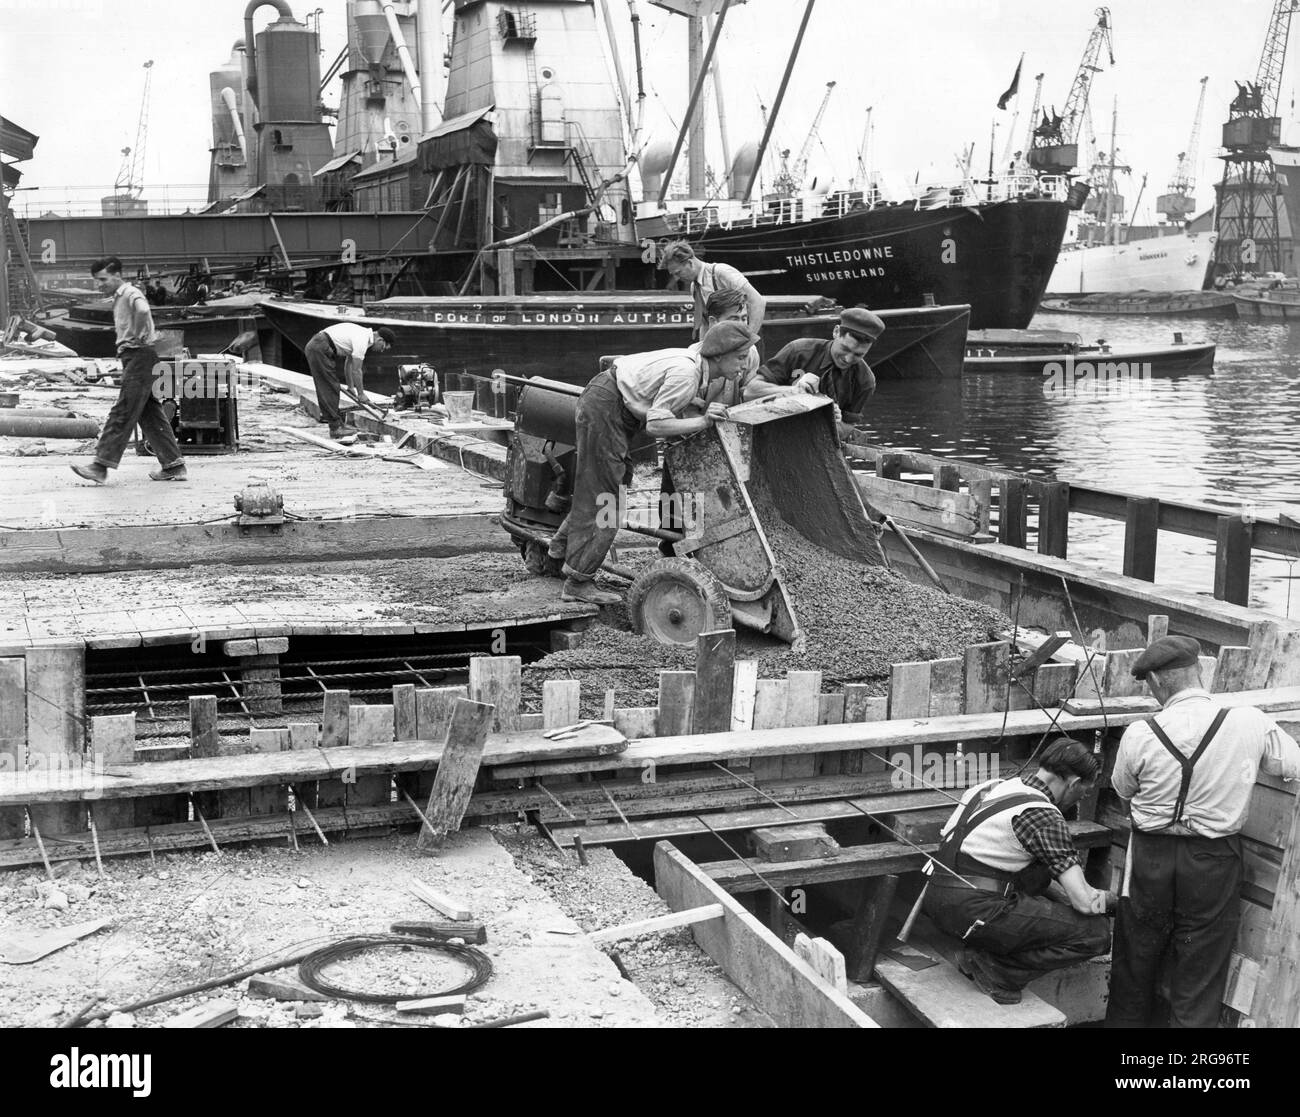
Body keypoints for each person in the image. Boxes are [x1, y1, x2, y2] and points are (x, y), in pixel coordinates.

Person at [1105, 635, 1300, 1028]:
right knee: (1201, 969)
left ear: (1158, 682)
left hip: (1149, 858)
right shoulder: (1248, 720)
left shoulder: (1140, 733)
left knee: (1135, 961)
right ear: (1199, 673)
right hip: (1214, 859)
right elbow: (1291, 765)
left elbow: (1124, 794)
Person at [547, 321, 756, 605]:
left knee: (611, 484)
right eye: (740, 358)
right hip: (607, 405)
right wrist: (704, 421)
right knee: (606, 497)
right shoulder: (687, 374)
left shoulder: (695, 360)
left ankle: (558, 553)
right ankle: (578, 581)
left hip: (610, 401)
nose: (744, 366)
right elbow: (656, 426)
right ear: (718, 355)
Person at [923, 737, 1113, 1005]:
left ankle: (984, 948)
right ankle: (995, 969)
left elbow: (1022, 871)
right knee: (1095, 933)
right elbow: (1084, 903)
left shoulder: (991, 787)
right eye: (1081, 793)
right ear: (1072, 783)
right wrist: (1109, 901)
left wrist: (1071, 895)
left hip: (937, 900)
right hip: (976, 911)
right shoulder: (1043, 816)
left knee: (1039, 874)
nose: (1076, 800)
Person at [70, 256, 187, 485]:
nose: (99, 284)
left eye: (102, 279)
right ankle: (174, 465)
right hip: (138, 356)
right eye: (96, 280)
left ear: (116, 275)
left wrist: (137, 335)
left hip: (139, 355)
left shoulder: (130, 293)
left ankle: (100, 466)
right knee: (149, 413)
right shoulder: (121, 296)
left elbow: (143, 310)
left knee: (123, 411)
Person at [744, 306, 884, 441]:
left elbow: (847, 426)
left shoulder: (865, 381)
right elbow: (749, 392)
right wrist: (792, 392)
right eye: (845, 348)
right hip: (771, 434)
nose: (848, 359)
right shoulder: (798, 351)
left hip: (814, 443)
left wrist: (832, 421)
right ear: (836, 332)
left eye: (858, 355)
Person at [303, 322, 396, 444]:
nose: (381, 351)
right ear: (380, 340)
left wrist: (351, 387)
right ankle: (335, 428)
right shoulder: (362, 340)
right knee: (330, 387)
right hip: (319, 347)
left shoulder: (363, 336)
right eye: (383, 347)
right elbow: (357, 370)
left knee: (331, 386)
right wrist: (361, 394)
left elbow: (349, 364)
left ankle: (338, 425)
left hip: (321, 346)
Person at [660, 241, 766, 341]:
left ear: (690, 263)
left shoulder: (721, 272)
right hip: (724, 342)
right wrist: (701, 352)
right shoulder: (695, 288)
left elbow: (758, 301)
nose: (677, 278)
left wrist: (749, 340)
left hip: (746, 337)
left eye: (678, 273)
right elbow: (705, 324)